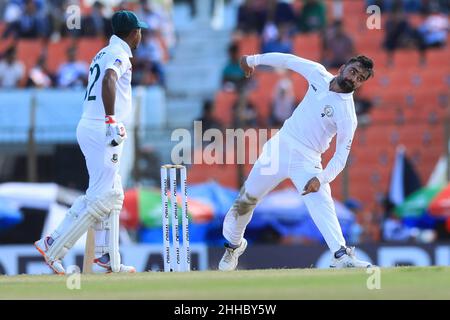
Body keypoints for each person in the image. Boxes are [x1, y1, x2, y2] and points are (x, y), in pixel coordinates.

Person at [219, 52, 375, 270]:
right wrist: (253, 60)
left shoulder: (347, 114)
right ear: (342, 68)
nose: (354, 78)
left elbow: (341, 157)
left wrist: (321, 178)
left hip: (307, 159)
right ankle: (233, 247)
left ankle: (341, 255)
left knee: (321, 200)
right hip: (280, 147)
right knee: (246, 200)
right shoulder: (318, 74)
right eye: (353, 71)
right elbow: (288, 61)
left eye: (360, 78)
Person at [34, 10, 148, 274]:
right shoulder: (119, 55)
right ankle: (52, 245)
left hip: (91, 126)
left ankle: (108, 258)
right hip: (102, 130)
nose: (141, 34)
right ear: (132, 34)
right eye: (139, 30)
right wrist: (110, 120)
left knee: (113, 193)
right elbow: (109, 79)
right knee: (100, 195)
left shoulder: (103, 52)